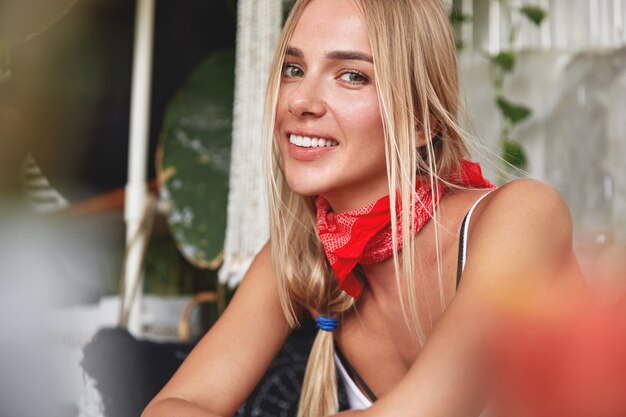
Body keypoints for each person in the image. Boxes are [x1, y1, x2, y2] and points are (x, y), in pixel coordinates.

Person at [142, 0, 583, 416]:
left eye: (352, 76)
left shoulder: (524, 217)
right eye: (294, 69)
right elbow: (170, 407)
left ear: (419, 121)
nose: (301, 101)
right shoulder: (297, 255)